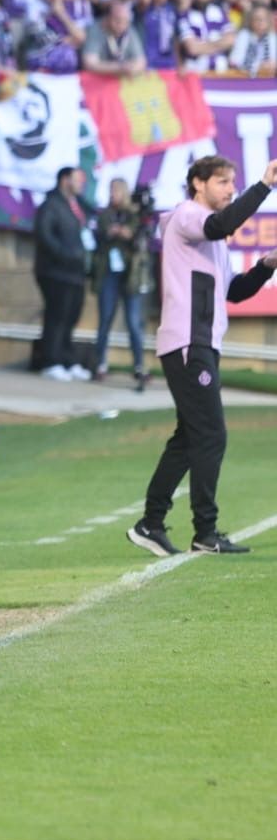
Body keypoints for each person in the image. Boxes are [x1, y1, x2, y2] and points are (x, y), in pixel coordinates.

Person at [127, 157, 277, 558]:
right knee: (211, 434)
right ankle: (205, 532)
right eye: (222, 181)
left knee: (191, 437)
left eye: (233, 182)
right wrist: (264, 185)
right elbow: (222, 223)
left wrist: (267, 265)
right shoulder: (189, 216)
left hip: (200, 345)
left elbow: (236, 291)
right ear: (197, 183)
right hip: (188, 344)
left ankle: (151, 523)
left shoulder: (211, 237)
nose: (230, 188)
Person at [33, 166, 94, 381]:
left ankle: (68, 360)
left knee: (71, 317)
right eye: (77, 179)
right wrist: (65, 254)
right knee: (56, 316)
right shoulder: (51, 205)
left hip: (76, 273)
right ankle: (51, 361)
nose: (81, 184)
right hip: (55, 272)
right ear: (65, 180)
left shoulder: (78, 206)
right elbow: (45, 235)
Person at [92, 179, 153, 391]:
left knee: (133, 322)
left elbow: (142, 236)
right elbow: (99, 233)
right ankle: (100, 363)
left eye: (116, 190)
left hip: (131, 275)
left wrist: (128, 232)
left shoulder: (135, 214)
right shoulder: (105, 214)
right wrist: (112, 231)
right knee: (105, 320)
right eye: (111, 190)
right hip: (109, 272)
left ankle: (138, 365)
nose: (113, 194)